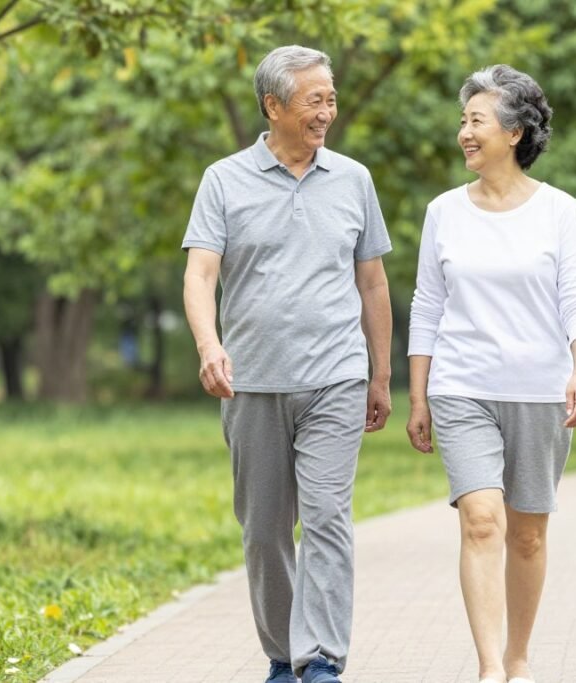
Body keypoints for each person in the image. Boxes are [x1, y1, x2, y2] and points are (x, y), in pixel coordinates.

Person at [182, 45, 393, 683]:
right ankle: (282, 656)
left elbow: (374, 285)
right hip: (252, 382)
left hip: (335, 375)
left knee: (328, 518)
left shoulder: (353, 179)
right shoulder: (224, 180)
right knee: (265, 529)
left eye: (330, 98)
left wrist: (380, 374)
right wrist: (208, 344)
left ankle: (321, 658)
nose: (327, 111)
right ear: (273, 106)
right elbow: (200, 274)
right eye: (314, 100)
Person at [407, 64, 576, 683]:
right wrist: (418, 395)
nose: (464, 132)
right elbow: (427, 306)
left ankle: (519, 658)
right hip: (462, 386)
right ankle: (491, 668)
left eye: (476, 121)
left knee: (528, 536)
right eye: (462, 121)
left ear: (514, 133)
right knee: (482, 518)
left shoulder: (559, 211)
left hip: (540, 388)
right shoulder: (443, 212)